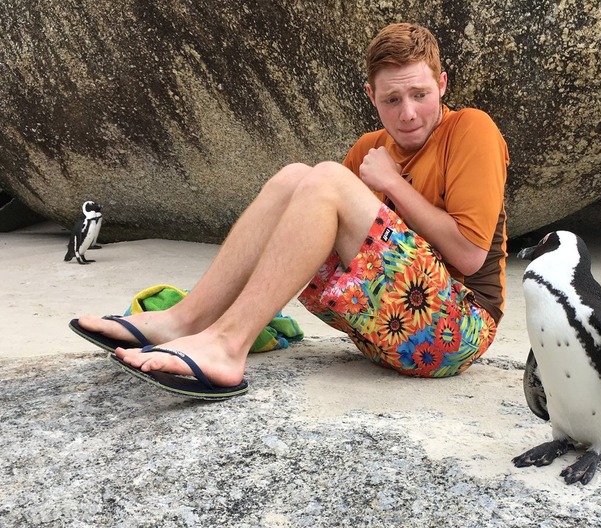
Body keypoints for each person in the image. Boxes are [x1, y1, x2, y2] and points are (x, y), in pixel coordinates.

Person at [72, 22, 509, 394]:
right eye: (391, 100)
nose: (408, 113)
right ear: (370, 95)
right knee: (294, 178)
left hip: (457, 331)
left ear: (443, 84)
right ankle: (185, 320)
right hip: (383, 332)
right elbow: (314, 236)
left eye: (420, 94)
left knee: (324, 178)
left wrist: (393, 182)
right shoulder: (369, 149)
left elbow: (469, 255)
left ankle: (226, 347)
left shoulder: (471, 129)